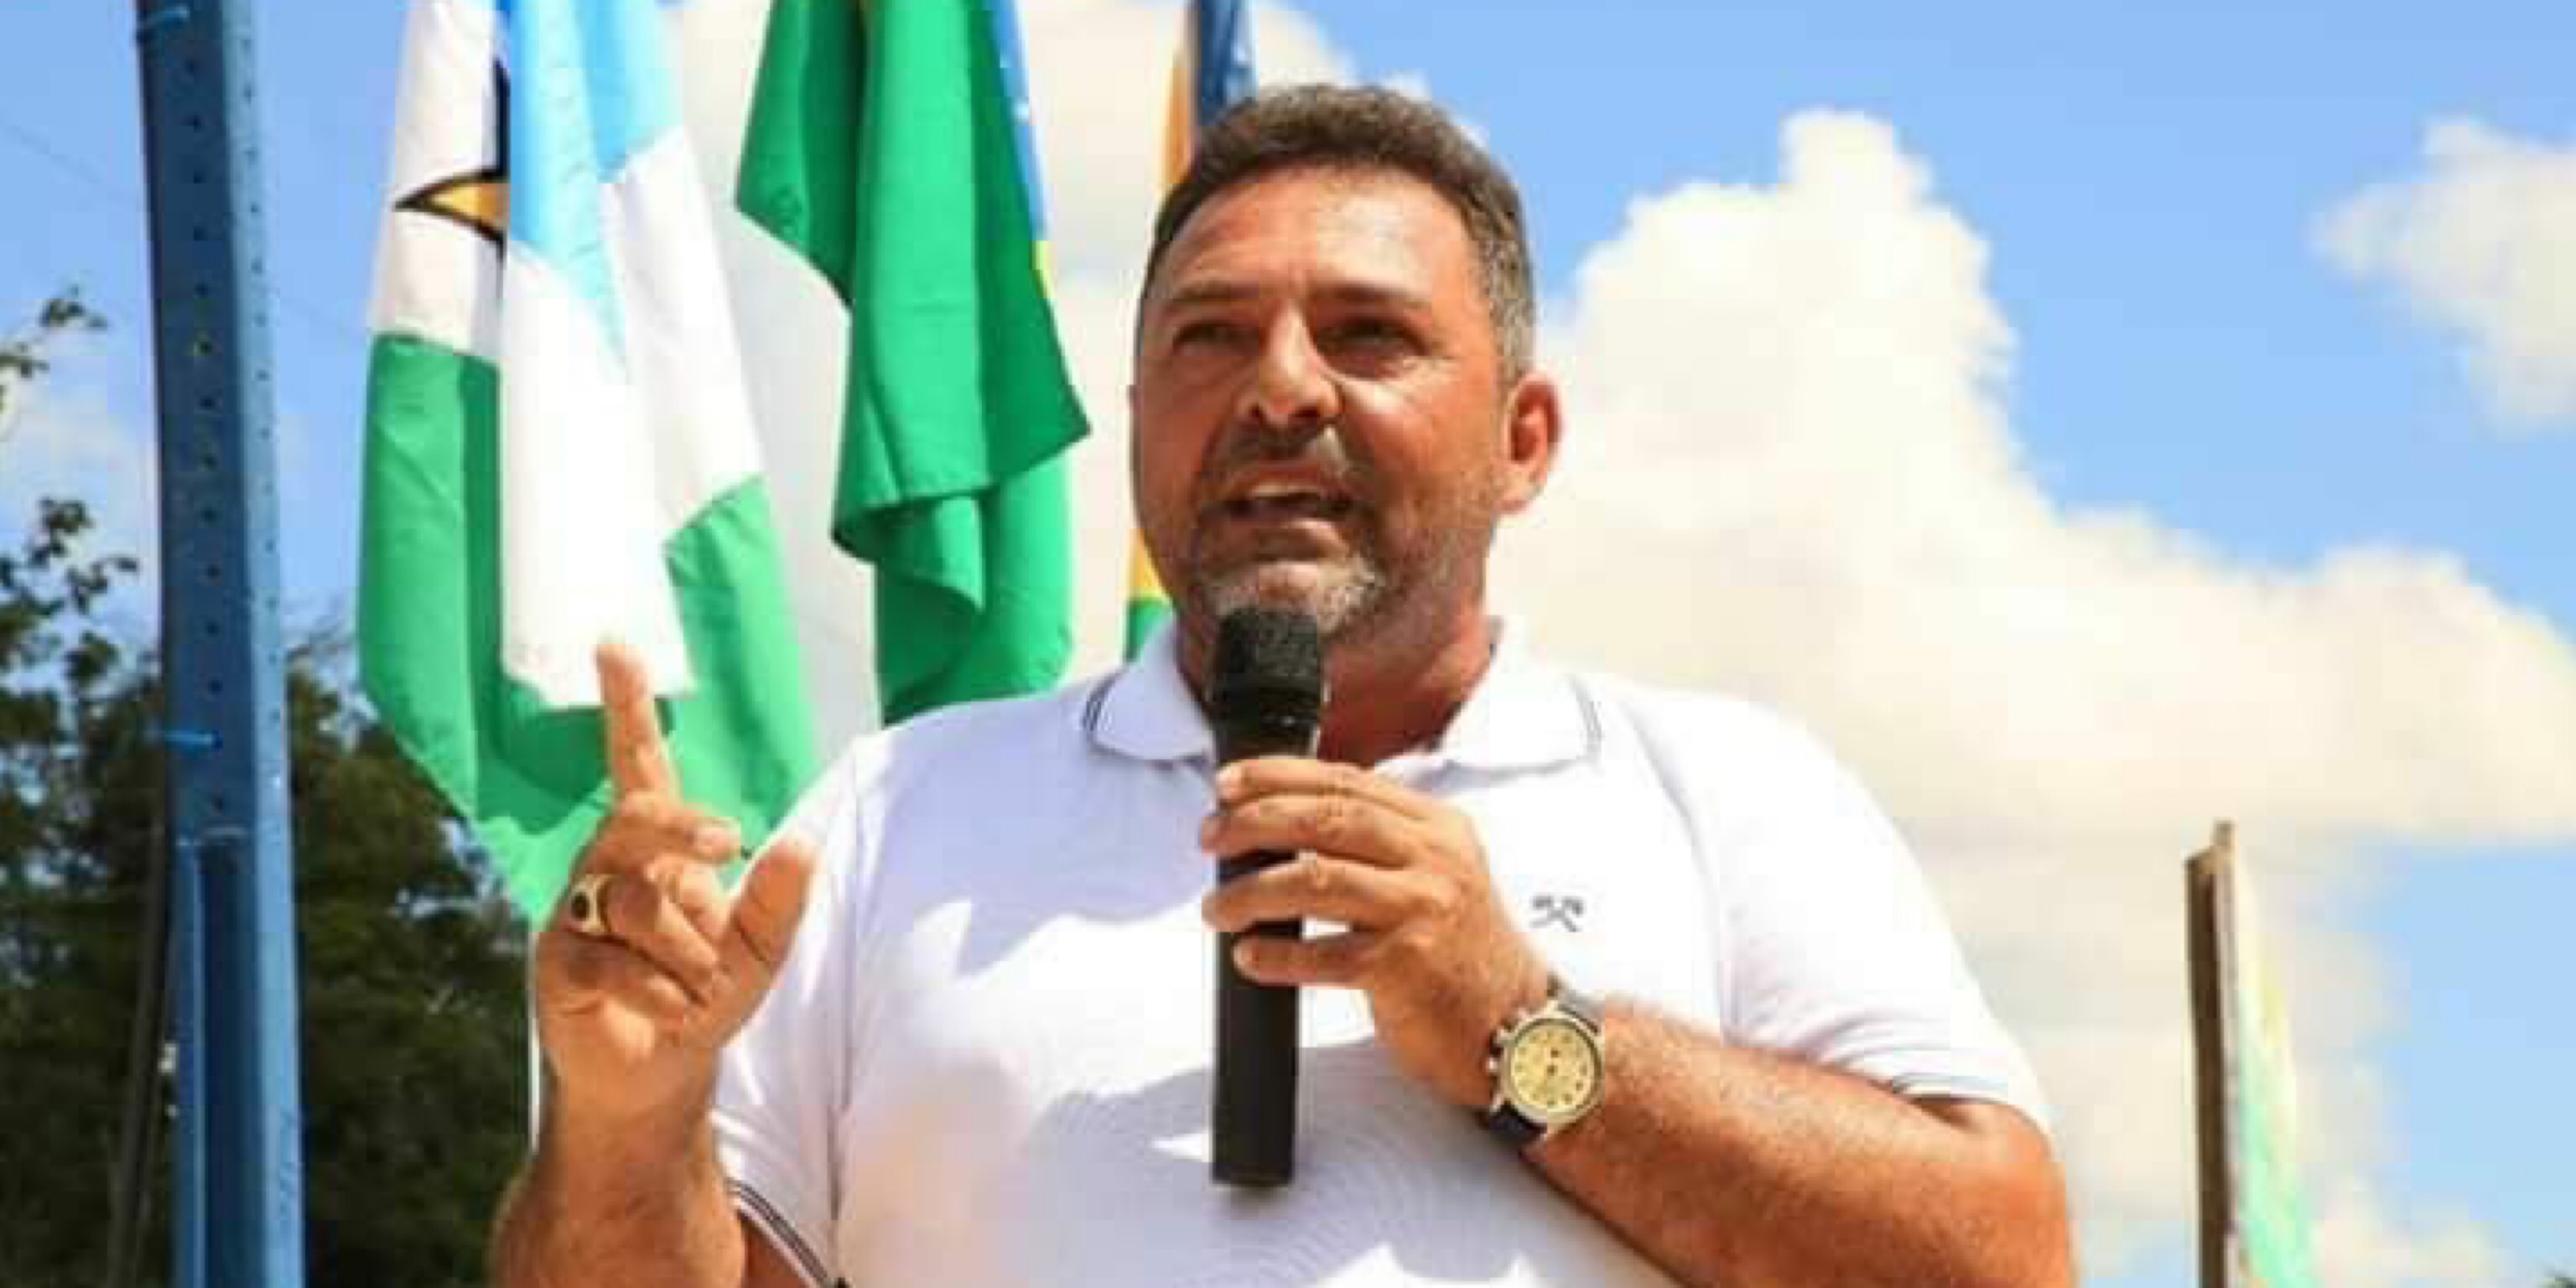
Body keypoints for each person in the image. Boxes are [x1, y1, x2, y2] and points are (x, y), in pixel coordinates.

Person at [490, 85, 2073, 1288]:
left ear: (1524, 440)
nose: (1282, 388)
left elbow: (2005, 1259)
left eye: (1370, 335)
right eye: (1212, 337)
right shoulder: (897, 810)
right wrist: (627, 1129)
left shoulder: (1728, 794)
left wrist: (1521, 1030)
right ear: (1137, 419)